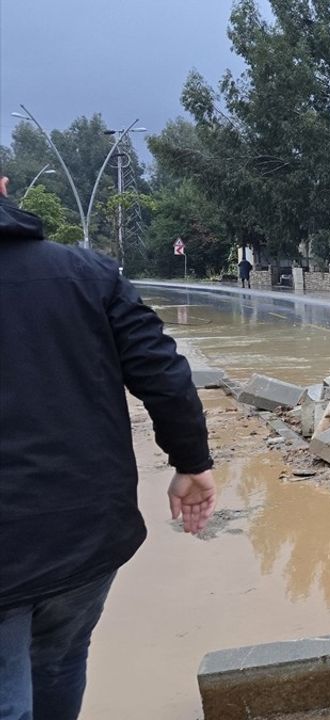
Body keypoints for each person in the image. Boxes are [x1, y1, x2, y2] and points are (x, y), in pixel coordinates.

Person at [0, 175, 215, 719]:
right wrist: (191, 462)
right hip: (84, 532)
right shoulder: (87, 274)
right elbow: (164, 374)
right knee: (59, 660)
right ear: (4, 185)